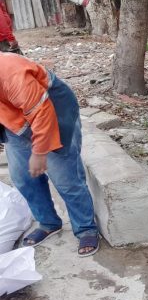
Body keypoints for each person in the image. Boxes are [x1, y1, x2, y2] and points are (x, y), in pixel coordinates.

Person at [0, 53, 99, 256]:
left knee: (66, 180)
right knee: (23, 178)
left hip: (53, 112)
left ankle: (86, 228)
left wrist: (39, 152)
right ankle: (48, 222)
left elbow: (42, 113)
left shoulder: (11, 74)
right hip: (15, 121)